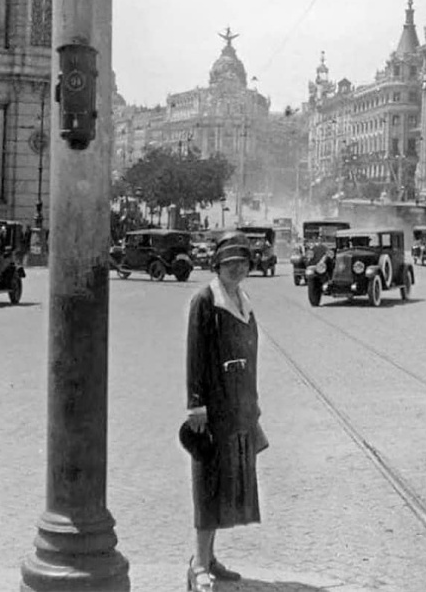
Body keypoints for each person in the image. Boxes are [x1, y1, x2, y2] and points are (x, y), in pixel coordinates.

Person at [184, 232, 266, 592]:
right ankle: (198, 563)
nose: (238, 269)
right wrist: (196, 405)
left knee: (227, 485)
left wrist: (253, 403)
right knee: (209, 483)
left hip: (240, 407)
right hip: (213, 408)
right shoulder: (205, 300)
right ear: (217, 266)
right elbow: (196, 355)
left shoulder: (242, 300)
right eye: (231, 264)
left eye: (244, 263)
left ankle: (211, 558)